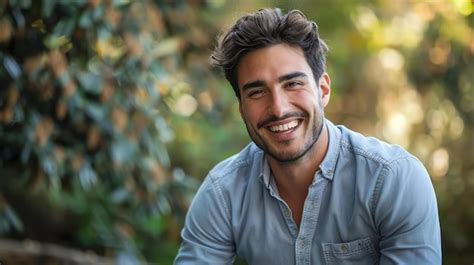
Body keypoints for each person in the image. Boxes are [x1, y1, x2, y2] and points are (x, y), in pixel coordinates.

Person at [174, 8, 441, 265]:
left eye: (293, 84)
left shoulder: (393, 179)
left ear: (323, 90)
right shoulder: (224, 193)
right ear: (241, 107)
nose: (278, 108)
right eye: (256, 92)